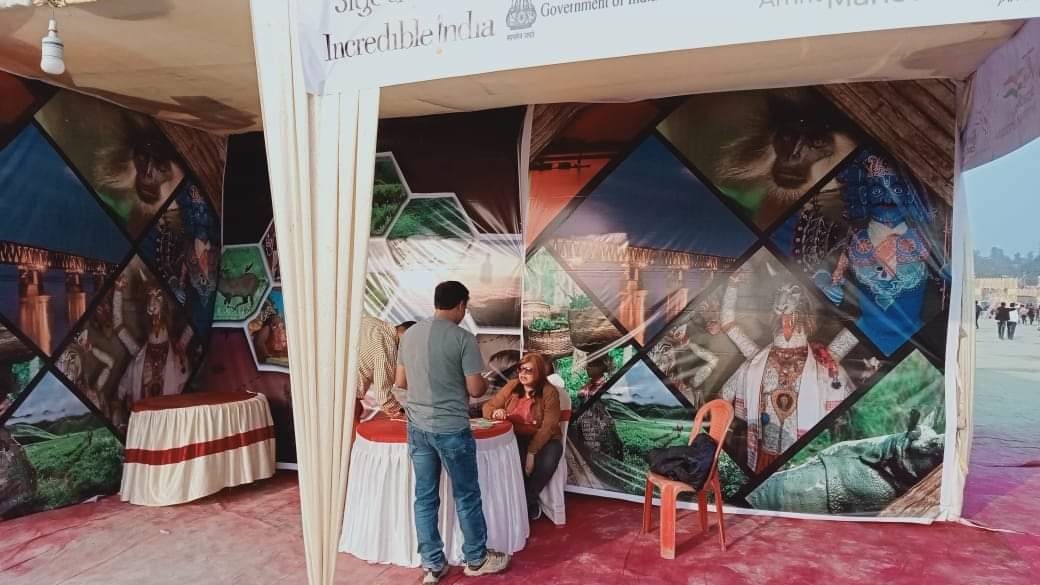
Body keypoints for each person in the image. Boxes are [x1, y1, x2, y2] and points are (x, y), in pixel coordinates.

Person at [395, 281, 510, 584]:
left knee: (424, 497)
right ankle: (476, 559)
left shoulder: (409, 335)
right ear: (460, 305)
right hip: (452, 430)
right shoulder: (463, 338)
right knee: (466, 495)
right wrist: (481, 381)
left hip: (418, 427)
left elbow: (401, 381)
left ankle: (432, 565)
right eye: (465, 307)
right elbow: (476, 390)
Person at [482, 353, 563, 522]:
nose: (523, 373)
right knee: (511, 456)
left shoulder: (549, 392)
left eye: (529, 370)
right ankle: (522, 503)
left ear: (539, 373)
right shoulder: (512, 386)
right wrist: (495, 412)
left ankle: (526, 500)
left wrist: (532, 452)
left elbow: (548, 427)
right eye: (521, 369)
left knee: (552, 455)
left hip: (543, 439)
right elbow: (488, 406)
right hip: (516, 436)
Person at [356, 315, 415, 422]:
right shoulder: (389, 350)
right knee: (355, 411)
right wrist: (407, 414)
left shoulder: (370, 321)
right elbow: (384, 399)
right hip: (344, 392)